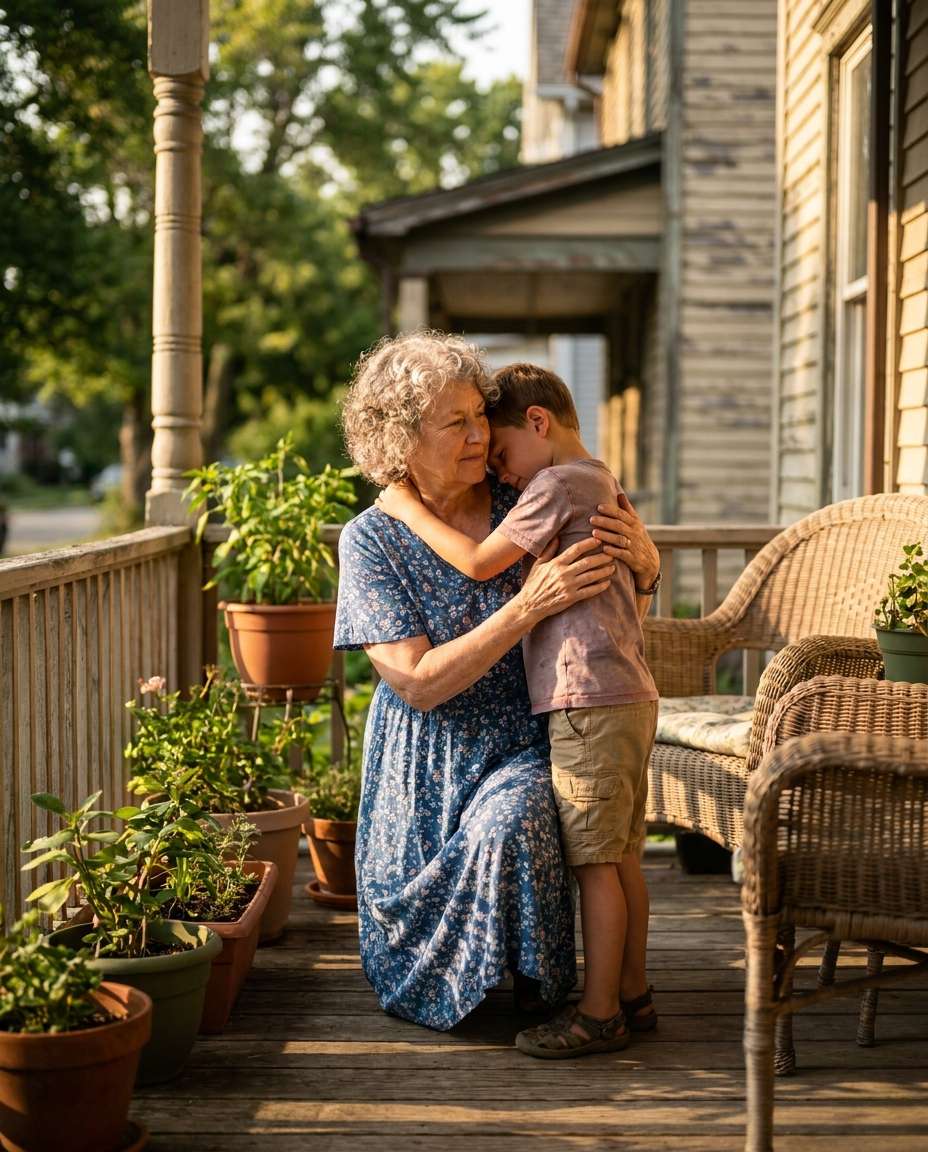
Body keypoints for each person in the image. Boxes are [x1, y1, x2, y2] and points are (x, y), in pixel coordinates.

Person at [335, 332, 660, 1033]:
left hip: (529, 737)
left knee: (514, 819)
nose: (481, 435)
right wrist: (525, 609)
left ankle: (543, 983)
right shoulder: (371, 539)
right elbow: (417, 682)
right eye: (456, 423)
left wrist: (647, 566)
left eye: (481, 415)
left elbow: (612, 608)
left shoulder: (528, 488)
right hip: (425, 758)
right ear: (400, 440)